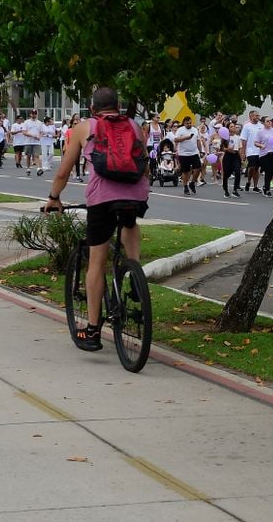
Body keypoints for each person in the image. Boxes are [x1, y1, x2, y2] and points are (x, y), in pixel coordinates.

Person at [43, 87, 150, 352]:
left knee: (97, 262)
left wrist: (54, 197)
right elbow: (145, 165)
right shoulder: (135, 127)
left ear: (92, 109)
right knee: (129, 222)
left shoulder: (84, 127)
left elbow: (63, 171)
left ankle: (92, 330)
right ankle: (135, 273)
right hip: (135, 194)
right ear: (119, 106)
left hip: (102, 198)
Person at [174, 116, 203, 195]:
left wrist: (201, 151)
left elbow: (198, 141)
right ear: (184, 123)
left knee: (198, 168)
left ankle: (192, 183)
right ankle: (185, 186)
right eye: (187, 123)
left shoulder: (195, 130)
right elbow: (176, 139)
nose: (189, 124)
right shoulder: (180, 130)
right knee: (185, 171)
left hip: (194, 152)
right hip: (183, 153)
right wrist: (186, 138)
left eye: (190, 123)